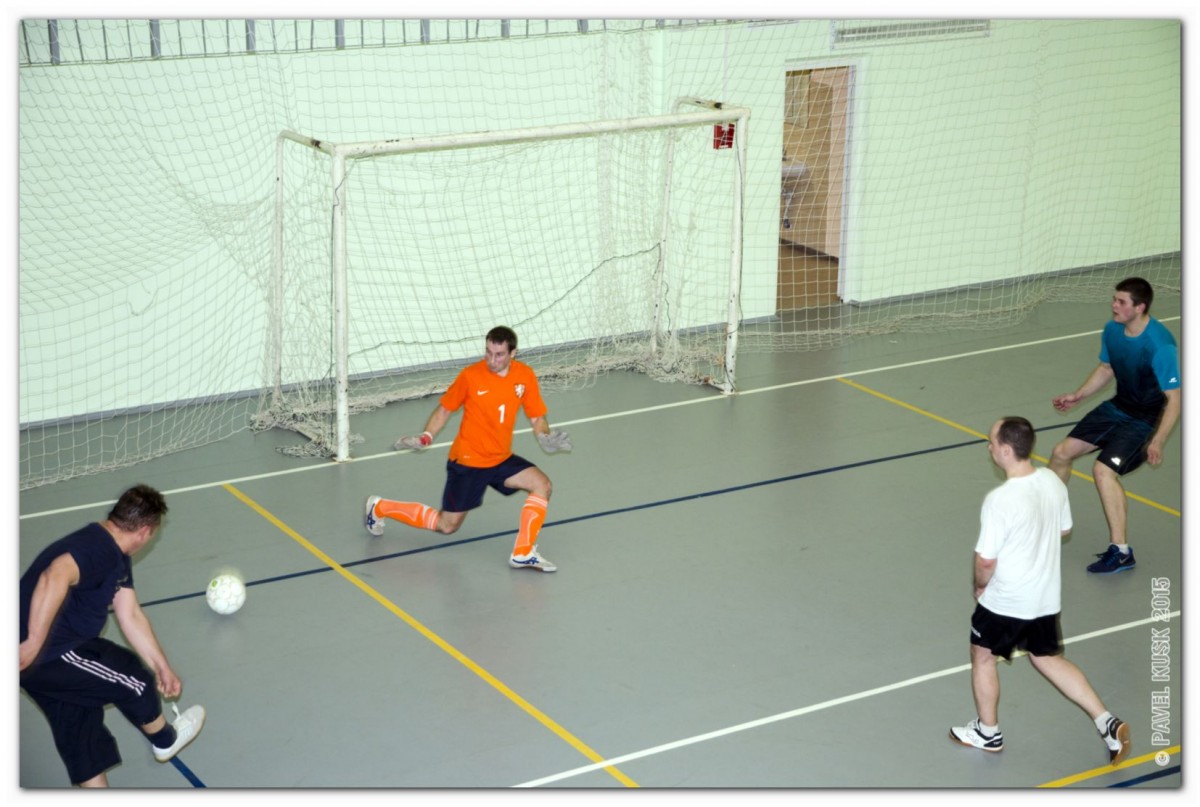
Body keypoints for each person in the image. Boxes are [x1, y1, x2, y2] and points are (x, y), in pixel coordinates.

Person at [950, 417, 1130, 764]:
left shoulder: (1000, 500)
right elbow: (1063, 529)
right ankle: (1106, 722)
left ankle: (988, 732)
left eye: (991, 442)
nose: (989, 447)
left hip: (1006, 600)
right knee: (1047, 658)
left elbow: (985, 560)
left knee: (982, 656)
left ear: (1005, 450)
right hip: (1044, 598)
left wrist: (980, 586)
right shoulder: (1051, 480)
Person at [19, 484, 206, 787]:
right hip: (49, 654)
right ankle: (165, 739)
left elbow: (129, 614)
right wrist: (33, 641)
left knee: (82, 734)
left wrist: (162, 666)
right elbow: (55, 574)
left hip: (42, 660)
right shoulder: (100, 549)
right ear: (145, 531)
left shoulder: (114, 551)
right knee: (133, 679)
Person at [364, 326, 571, 572]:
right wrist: (426, 437)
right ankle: (380, 507)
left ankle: (523, 553)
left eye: (499, 354)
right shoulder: (471, 376)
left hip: (500, 458)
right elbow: (445, 410)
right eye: (488, 352)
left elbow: (537, 416)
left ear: (513, 353)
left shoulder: (524, 375)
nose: (492, 360)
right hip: (468, 462)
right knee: (447, 525)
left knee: (542, 485)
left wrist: (544, 435)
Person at [1049, 277, 1181, 574]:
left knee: (1103, 470)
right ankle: (1049, 519)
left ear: (1140, 307)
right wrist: (1078, 395)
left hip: (1144, 421)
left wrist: (1158, 440)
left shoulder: (1160, 345)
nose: (1114, 306)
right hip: (1117, 408)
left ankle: (1121, 552)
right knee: (1061, 453)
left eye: (1121, 302)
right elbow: (1106, 368)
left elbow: (1175, 399)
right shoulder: (1113, 330)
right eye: (1114, 299)